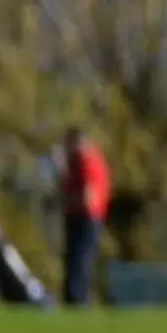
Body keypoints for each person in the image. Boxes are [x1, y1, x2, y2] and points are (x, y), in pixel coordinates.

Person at [57, 127, 110, 308]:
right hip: (79, 216)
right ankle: (74, 299)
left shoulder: (88, 161)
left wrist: (69, 201)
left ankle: (77, 300)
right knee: (74, 259)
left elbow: (88, 197)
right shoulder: (76, 163)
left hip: (85, 218)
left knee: (80, 259)